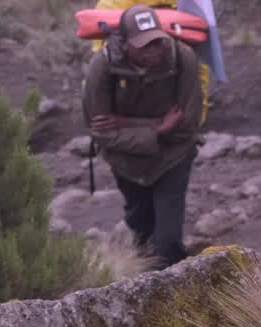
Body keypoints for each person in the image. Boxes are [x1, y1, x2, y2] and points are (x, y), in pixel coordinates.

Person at [83, 4, 203, 270]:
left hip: (173, 158)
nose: (153, 51)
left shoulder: (183, 59)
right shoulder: (102, 67)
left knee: (168, 241)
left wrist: (125, 124)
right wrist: (157, 128)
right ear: (124, 44)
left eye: (157, 42)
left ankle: (177, 299)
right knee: (141, 235)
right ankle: (146, 296)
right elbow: (101, 133)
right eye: (143, 45)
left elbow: (186, 126)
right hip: (127, 165)